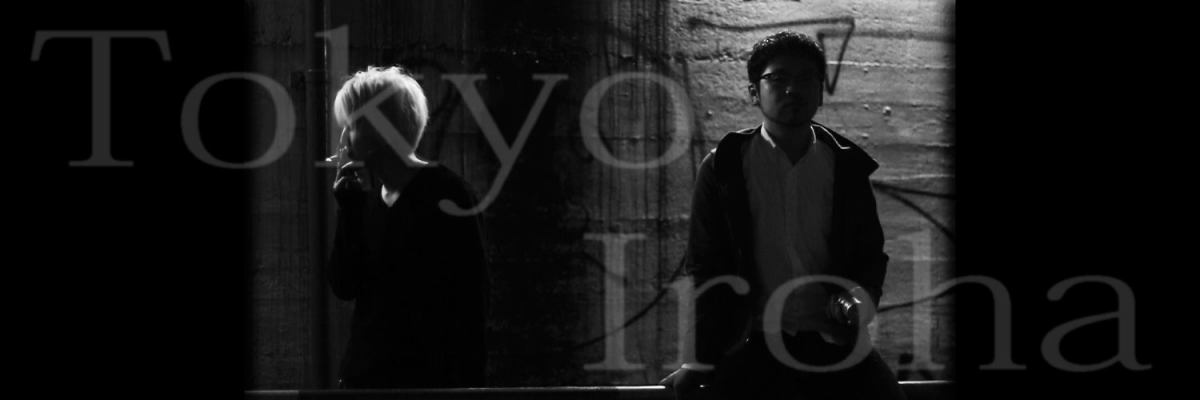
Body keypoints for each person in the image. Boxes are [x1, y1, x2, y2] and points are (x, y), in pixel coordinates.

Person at [659, 32, 906, 400]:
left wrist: (858, 300)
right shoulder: (724, 167)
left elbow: (870, 255)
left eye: (806, 78)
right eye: (778, 78)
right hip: (753, 342)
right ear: (754, 92)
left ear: (820, 91)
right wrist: (699, 359)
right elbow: (706, 267)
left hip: (833, 341)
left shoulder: (846, 167)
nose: (793, 89)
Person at [324, 66, 488, 389]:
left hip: (425, 386)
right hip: (366, 383)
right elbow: (344, 285)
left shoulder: (447, 195)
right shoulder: (367, 201)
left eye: (352, 125)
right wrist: (348, 210)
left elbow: (471, 306)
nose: (343, 138)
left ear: (379, 129)